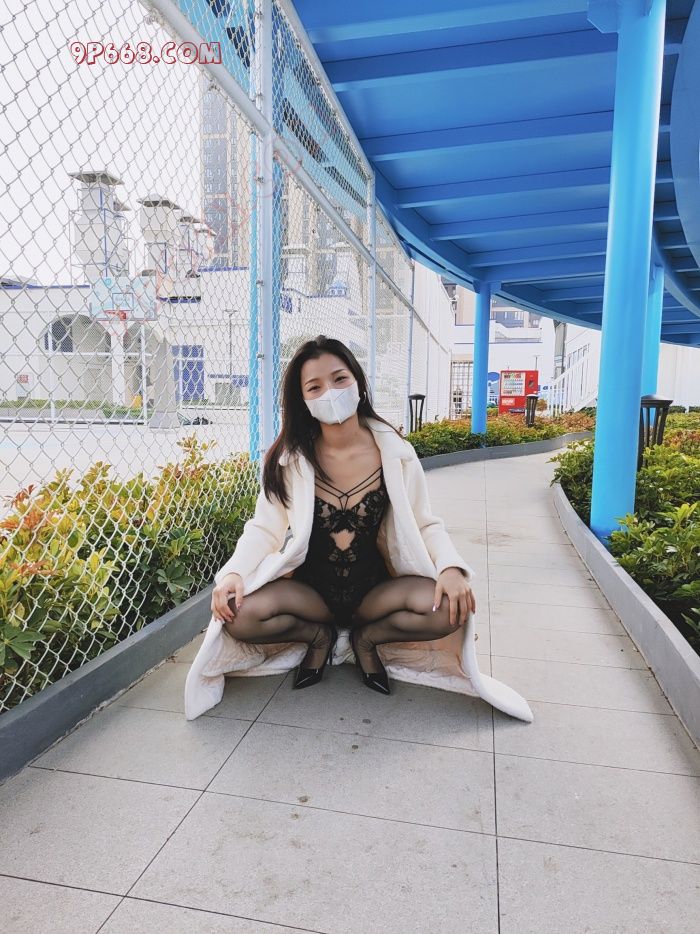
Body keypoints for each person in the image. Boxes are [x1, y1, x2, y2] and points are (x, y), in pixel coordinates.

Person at [210, 334, 476, 696]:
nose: (330, 393)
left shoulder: (396, 453)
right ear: (303, 400)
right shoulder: (289, 460)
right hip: (311, 595)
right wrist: (233, 573)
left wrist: (450, 567)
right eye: (314, 387)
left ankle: (367, 639)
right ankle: (318, 636)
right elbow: (265, 528)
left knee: (450, 609)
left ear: (358, 382)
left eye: (339, 379)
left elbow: (424, 521)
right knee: (237, 616)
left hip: (375, 593)